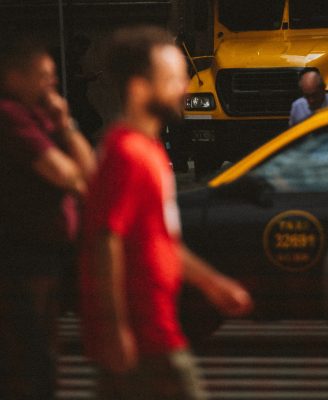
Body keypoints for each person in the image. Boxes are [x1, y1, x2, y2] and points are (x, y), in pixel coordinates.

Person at [79, 26, 253, 399]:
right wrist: (115, 329)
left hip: (153, 327)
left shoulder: (150, 151)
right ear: (141, 88)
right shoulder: (127, 153)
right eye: (173, 79)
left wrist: (212, 283)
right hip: (145, 336)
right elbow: (105, 240)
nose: (186, 88)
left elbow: (161, 239)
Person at [0, 34, 95, 399]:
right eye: (43, 76)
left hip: (48, 252)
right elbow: (67, 175)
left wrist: (66, 123)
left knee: (44, 350)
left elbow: (87, 174)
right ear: (13, 77)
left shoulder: (41, 115)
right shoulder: (10, 117)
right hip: (22, 253)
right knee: (30, 354)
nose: (51, 84)